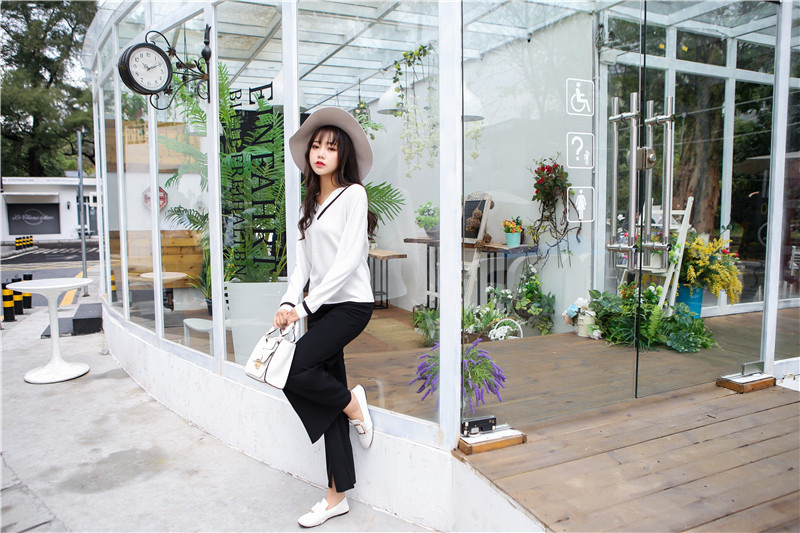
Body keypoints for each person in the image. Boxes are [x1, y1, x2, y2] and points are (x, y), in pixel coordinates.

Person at [273, 107, 377, 528]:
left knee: (293, 369)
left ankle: (352, 403)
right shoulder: (308, 204)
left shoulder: (354, 195)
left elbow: (348, 261)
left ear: (342, 155)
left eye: (330, 148)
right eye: (316, 146)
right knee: (322, 393)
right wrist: (288, 301)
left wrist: (305, 307)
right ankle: (337, 496)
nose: (320, 153)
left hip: (350, 305)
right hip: (319, 306)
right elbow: (303, 265)